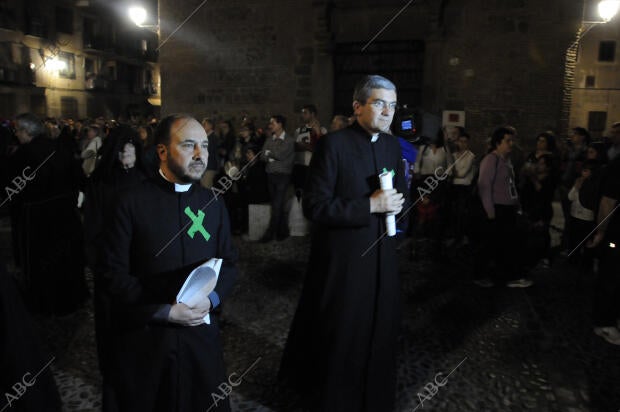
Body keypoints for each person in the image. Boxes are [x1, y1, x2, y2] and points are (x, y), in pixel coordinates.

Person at [279, 75, 406, 411]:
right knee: (343, 330)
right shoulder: (333, 145)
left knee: (379, 328)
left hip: (382, 256)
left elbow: (402, 193)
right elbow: (315, 205)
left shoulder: (393, 147)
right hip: (344, 260)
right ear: (357, 106)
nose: (387, 112)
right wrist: (370, 205)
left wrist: (399, 206)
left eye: (392, 105)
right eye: (379, 103)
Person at [101, 114, 238, 411]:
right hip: (146, 338)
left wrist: (212, 300)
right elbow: (112, 275)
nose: (201, 154)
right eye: (190, 145)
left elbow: (228, 264)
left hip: (201, 338)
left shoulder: (213, 202)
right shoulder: (129, 202)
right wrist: (164, 312)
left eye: (204, 145)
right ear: (162, 151)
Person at [473, 126, 533, 288]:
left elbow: (509, 185)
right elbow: (484, 185)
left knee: (504, 244)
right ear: (498, 143)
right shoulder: (491, 159)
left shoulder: (505, 160)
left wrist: (517, 205)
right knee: (493, 243)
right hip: (497, 208)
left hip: (507, 208)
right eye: (508, 141)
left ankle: (503, 275)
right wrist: (490, 212)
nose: (511, 144)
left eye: (512, 140)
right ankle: (486, 275)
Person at [588, 155, 620, 345]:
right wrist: (600, 231)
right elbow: (607, 202)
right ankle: (603, 323)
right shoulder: (618, 166)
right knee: (612, 276)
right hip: (617, 233)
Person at [259, 115, 295, 241]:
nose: (270, 125)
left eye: (273, 123)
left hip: (283, 176)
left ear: (280, 125)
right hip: (270, 175)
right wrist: (271, 155)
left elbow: (280, 154)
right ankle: (283, 232)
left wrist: (271, 154)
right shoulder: (270, 139)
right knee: (277, 205)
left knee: (277, 204)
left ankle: (269, 234)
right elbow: (263, 156)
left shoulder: (289, 140)